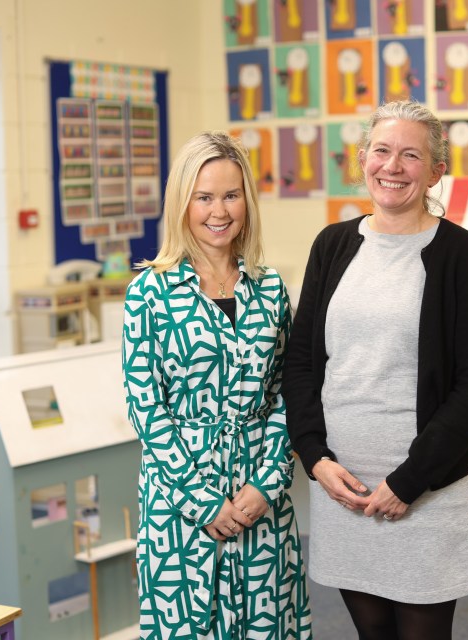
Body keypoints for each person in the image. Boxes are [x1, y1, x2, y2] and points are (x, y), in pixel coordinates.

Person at [283, 101, 468, 640]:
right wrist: (315, 459)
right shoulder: (333, 245)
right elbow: (302, 363)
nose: (393, 166)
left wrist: (409, 481)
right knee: (372, 633)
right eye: (382, 151)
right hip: (344, 491)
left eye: (411, 155)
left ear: (436, 172)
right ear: (363, 159)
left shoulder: (460, 254)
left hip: (428, 492)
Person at [123, 132, 312, 639]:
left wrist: (268, 482)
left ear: (246, 201)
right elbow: (146, 407)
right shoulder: (149, 293)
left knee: (267, 626)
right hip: (181, 505)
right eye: (204, 197)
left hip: (259, 500)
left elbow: (285, 394)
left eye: (231, 195)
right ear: (182, 202)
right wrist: (203, 500)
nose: (218, 211)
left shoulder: (270, 288)